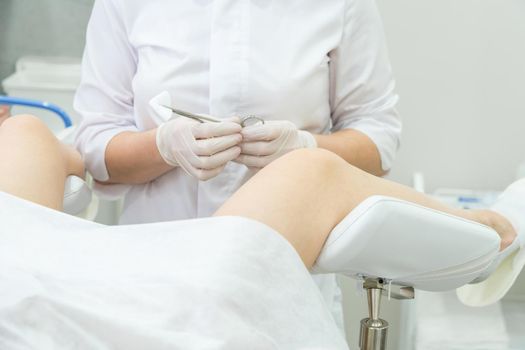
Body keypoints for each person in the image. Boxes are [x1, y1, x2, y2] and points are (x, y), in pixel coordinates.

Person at [74, 0, 402, 326]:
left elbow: (379, 142)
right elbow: (96, 148)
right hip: (153, 274)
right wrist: (163, 146)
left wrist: (305, 148)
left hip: (285, 282)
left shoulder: (341, 6)